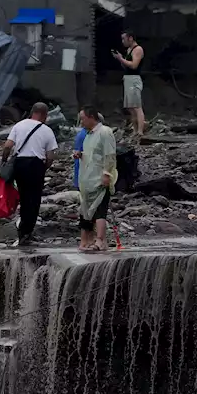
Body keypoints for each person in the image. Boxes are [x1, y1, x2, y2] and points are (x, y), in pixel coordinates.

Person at [2, 102, 58, 248]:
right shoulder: (47, 130)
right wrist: (43, 168)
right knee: (34, 200)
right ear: (45, 115)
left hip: (20, 163)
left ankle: (22, 232)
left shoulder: (19, 125)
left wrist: (4, 162)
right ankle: (26, 233)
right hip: (36, 165)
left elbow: (8, 146)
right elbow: (50, 156)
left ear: (32, 112)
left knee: (24, 197)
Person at [74, 105, 118, 252]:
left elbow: (109, 155)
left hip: (99, 177)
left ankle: (100, 240)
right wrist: (80, 155)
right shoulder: (88, 135)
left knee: (100, 209)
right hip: (87, 179)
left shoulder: (105, 132)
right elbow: (92, 155)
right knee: (86, 210)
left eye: (83, 119)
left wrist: (107, 173)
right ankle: (87, 240)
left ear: (91, 117)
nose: (81, 123)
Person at [112, 30, 146, 137]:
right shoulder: (129, 50)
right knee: (130, 107)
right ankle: (135, 130)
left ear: (130, 38)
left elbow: (134, 65)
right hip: (128, 78)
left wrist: (121, 58)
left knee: (136, 106)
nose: (123, 41)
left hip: (134, 79)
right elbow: (126, 66)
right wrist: (120, 59)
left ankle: (140, 131)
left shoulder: (138, 49)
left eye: (124, 39)